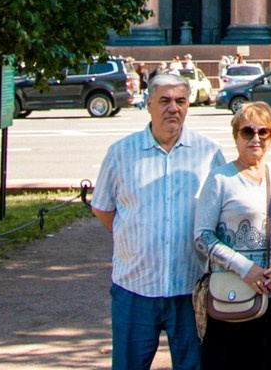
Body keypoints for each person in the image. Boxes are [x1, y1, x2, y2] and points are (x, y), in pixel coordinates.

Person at [91, 72, 225, 370]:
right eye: (164, 101)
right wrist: (133, 236)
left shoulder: (208, 153)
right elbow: (102, 207)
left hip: (189, 289)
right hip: (134, 288)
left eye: (180, 101)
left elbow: (220, 214)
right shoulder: (121, 152)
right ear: (148, 103)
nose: (173, 108)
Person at [194, 102, 271, 366]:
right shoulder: (220, 179)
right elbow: (203, 236)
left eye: (263, 132)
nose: (256, 138)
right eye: (247, 132)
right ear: (236, 136)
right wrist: (245, 269)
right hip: (232, 294)